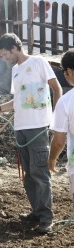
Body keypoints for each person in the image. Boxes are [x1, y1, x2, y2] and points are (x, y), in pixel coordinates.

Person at [0, 33, 62, 233]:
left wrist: (56, 119)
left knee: (40, 172)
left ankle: (47, 218)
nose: (4, 58)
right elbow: (17, 101)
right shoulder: (15, 70)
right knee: (28, 174)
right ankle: (36, 212)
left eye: (5, 54)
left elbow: (57, 89)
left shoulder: (39, 62)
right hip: (20, 128)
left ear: (14, 48)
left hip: (38, 127)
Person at [48, 49, 74, 204]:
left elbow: (59, 141)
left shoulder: (66, 101)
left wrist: (51, 159)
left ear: (70, 71)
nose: (64, 74)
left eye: (64, 71)